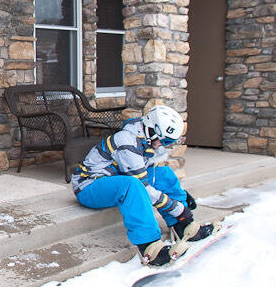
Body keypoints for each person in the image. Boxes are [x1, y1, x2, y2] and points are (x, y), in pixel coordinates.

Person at [70, 105, 214, 266]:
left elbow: (150, 176)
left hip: (115, 178)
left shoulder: (146, 139)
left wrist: (181, 199)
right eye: (164, 140)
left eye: (169, 142)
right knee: (132, 186)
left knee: (164, 174)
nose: (163, 144)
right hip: (89, 186)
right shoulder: (127, 141)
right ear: (152, 129)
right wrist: (178, 208)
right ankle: (150, 247)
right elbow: (142, 186)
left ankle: (182, 226)